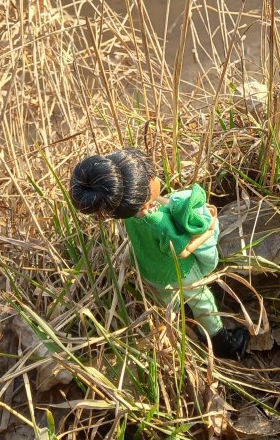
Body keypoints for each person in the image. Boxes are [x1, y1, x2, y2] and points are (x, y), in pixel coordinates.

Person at [69, 147, 249, 360]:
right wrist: (209, 229)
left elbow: (161, 202)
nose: (156, 177)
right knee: (203, 300)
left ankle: (178, 321)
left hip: (149, 269)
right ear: (144, 190)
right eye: (151, 175)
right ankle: (221, 342)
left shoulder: (129, 214)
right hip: (179, 272)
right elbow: (183, 251)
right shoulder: (158, 222)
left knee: (167, 301)